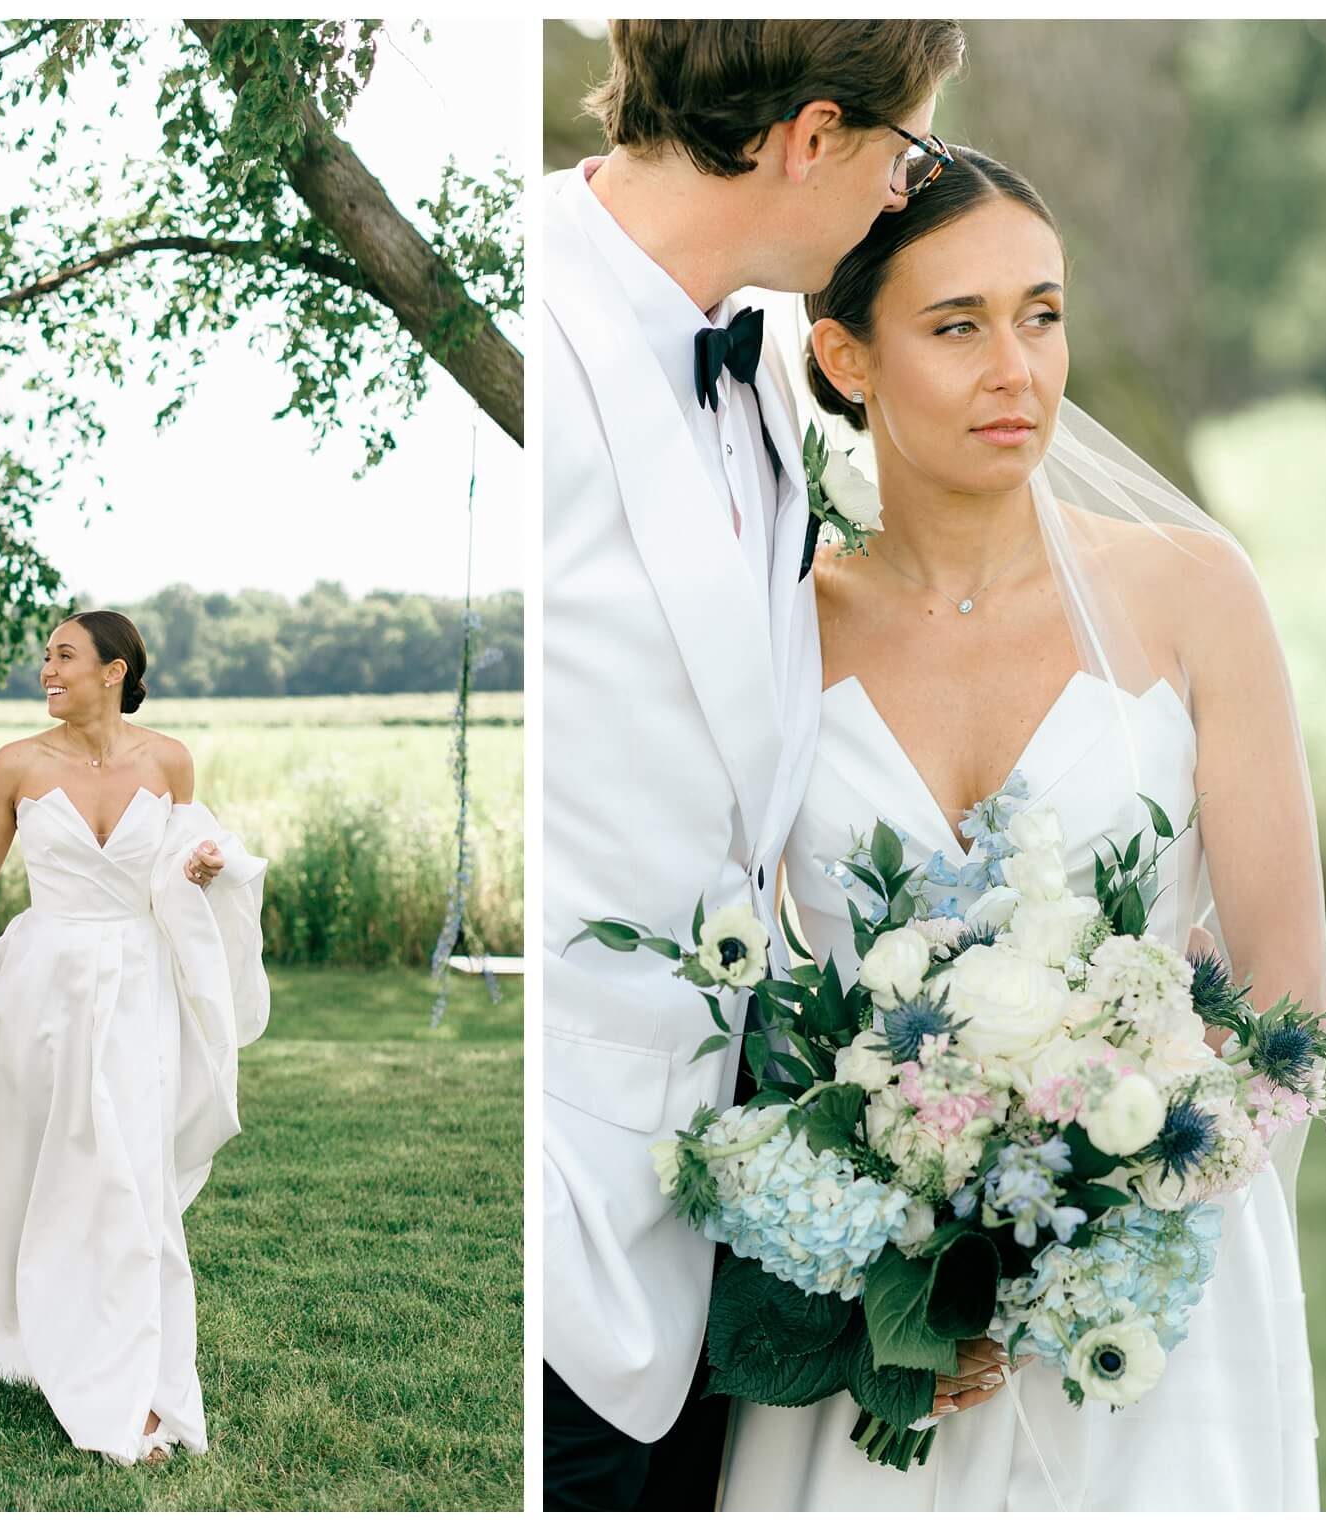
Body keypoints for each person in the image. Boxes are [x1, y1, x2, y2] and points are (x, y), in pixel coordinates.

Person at [720, 145, 1324, 1509]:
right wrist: (881, 1264)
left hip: (1158, 1311)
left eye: (1041, 314)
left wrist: (1118, 1232)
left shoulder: (1193, 591)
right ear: (846, 353)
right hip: (883, 1336)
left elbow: (1290, 997)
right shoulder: (775, 629)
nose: (1019, 368)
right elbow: (746, 1002)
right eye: (958, 326)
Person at [542, 18, 967, 1510]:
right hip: (561, 1197)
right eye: (904, 152)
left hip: (719, 1199)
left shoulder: (764, 347)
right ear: (809, 137)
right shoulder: (532, 326)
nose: (903, 192)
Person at [0, 610, 269, 1467]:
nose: (45, 669)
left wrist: (197, 866)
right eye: (45, 656)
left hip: (136, 991)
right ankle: (11, 1314)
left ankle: (135, 1387)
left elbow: (187, 858)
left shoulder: (168, 759)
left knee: (130, 1178)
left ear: (115, 669)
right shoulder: (16, 764)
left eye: (64, 655)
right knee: (29, 1165)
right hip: (42, 991)